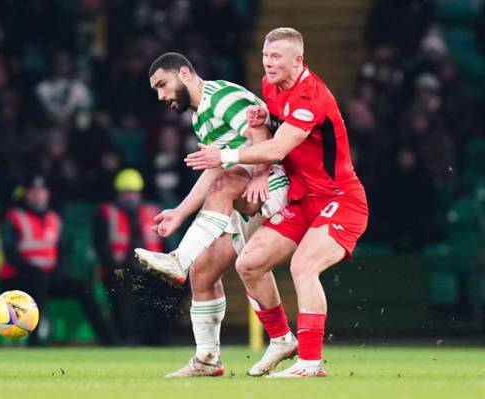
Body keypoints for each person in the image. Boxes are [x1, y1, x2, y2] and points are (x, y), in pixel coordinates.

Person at [185, 27, 369, 378]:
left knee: (303, 267)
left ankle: (311, 363)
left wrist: (224, 155)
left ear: (298, 60)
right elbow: (272, 131)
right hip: (303, 199)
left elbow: (279, 148)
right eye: (266, 55)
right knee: (249, 264)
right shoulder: (272, 86)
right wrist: (263, 125)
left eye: (276, 57)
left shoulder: (311, 96)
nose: (268, 63)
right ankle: (282, 339)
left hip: (340, 199)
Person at [135, 52, 292, 377]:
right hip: (240, 188)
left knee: (224, 186)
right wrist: (179, 213)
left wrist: (261, 175)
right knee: (203, 272)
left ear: (185, 73)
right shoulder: (199, 118)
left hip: (271, 185)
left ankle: (179, 258)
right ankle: (208, 359)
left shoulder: (222, 97)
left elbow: (261, 134)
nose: (161, 95)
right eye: (156, 91)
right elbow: (215, 170)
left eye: (163, 85)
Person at [0, 175, 116, 346]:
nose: (38, 195)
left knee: (82, 286)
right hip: (18, 277)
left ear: (47, 194)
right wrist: (34, 270)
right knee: (39, 280)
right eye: (33, 192)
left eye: (42, 191)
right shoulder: (13, 217)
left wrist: (60, 270)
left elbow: (62, 252)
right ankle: (34, 339)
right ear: (26, 194)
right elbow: (10, 254)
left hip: (48, 276)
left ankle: (108, 338)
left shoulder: (54, 219)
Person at [93, 168, 187, 346]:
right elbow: (102, 248)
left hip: (150, 271)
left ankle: (156, 335)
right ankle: (128, 338)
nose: (130, 197)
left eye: (133, 192)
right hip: (118, 270)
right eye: (126, 192)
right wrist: (117, 269)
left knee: (179, 285)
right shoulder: (106, 213)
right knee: (120, 286)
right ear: (118, 194)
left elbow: (166, 246)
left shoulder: (153, 212)